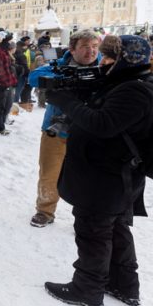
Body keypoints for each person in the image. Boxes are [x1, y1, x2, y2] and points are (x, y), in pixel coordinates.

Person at [44, 35, 153, 306]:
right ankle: (123, 285)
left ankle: (87, 289)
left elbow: (103, 124)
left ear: (126, 60)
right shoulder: (127, 84)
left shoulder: (134, 90)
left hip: (106, 178)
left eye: (109, 57)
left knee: (93, 231)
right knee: (115, 229)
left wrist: (67, 101)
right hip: (110, 176)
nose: (102, 62)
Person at [28, 30, 100, 228]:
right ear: (72, 49)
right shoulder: (59, 64)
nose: (91, 51)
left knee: (89, 176)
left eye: (94, 47)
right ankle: (45, 210)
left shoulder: (104, 66)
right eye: (85, 47)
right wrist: (63, 76)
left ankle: (86, 216)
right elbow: (33, 78)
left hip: (89, 131)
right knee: (49, 172)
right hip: (56, 129)